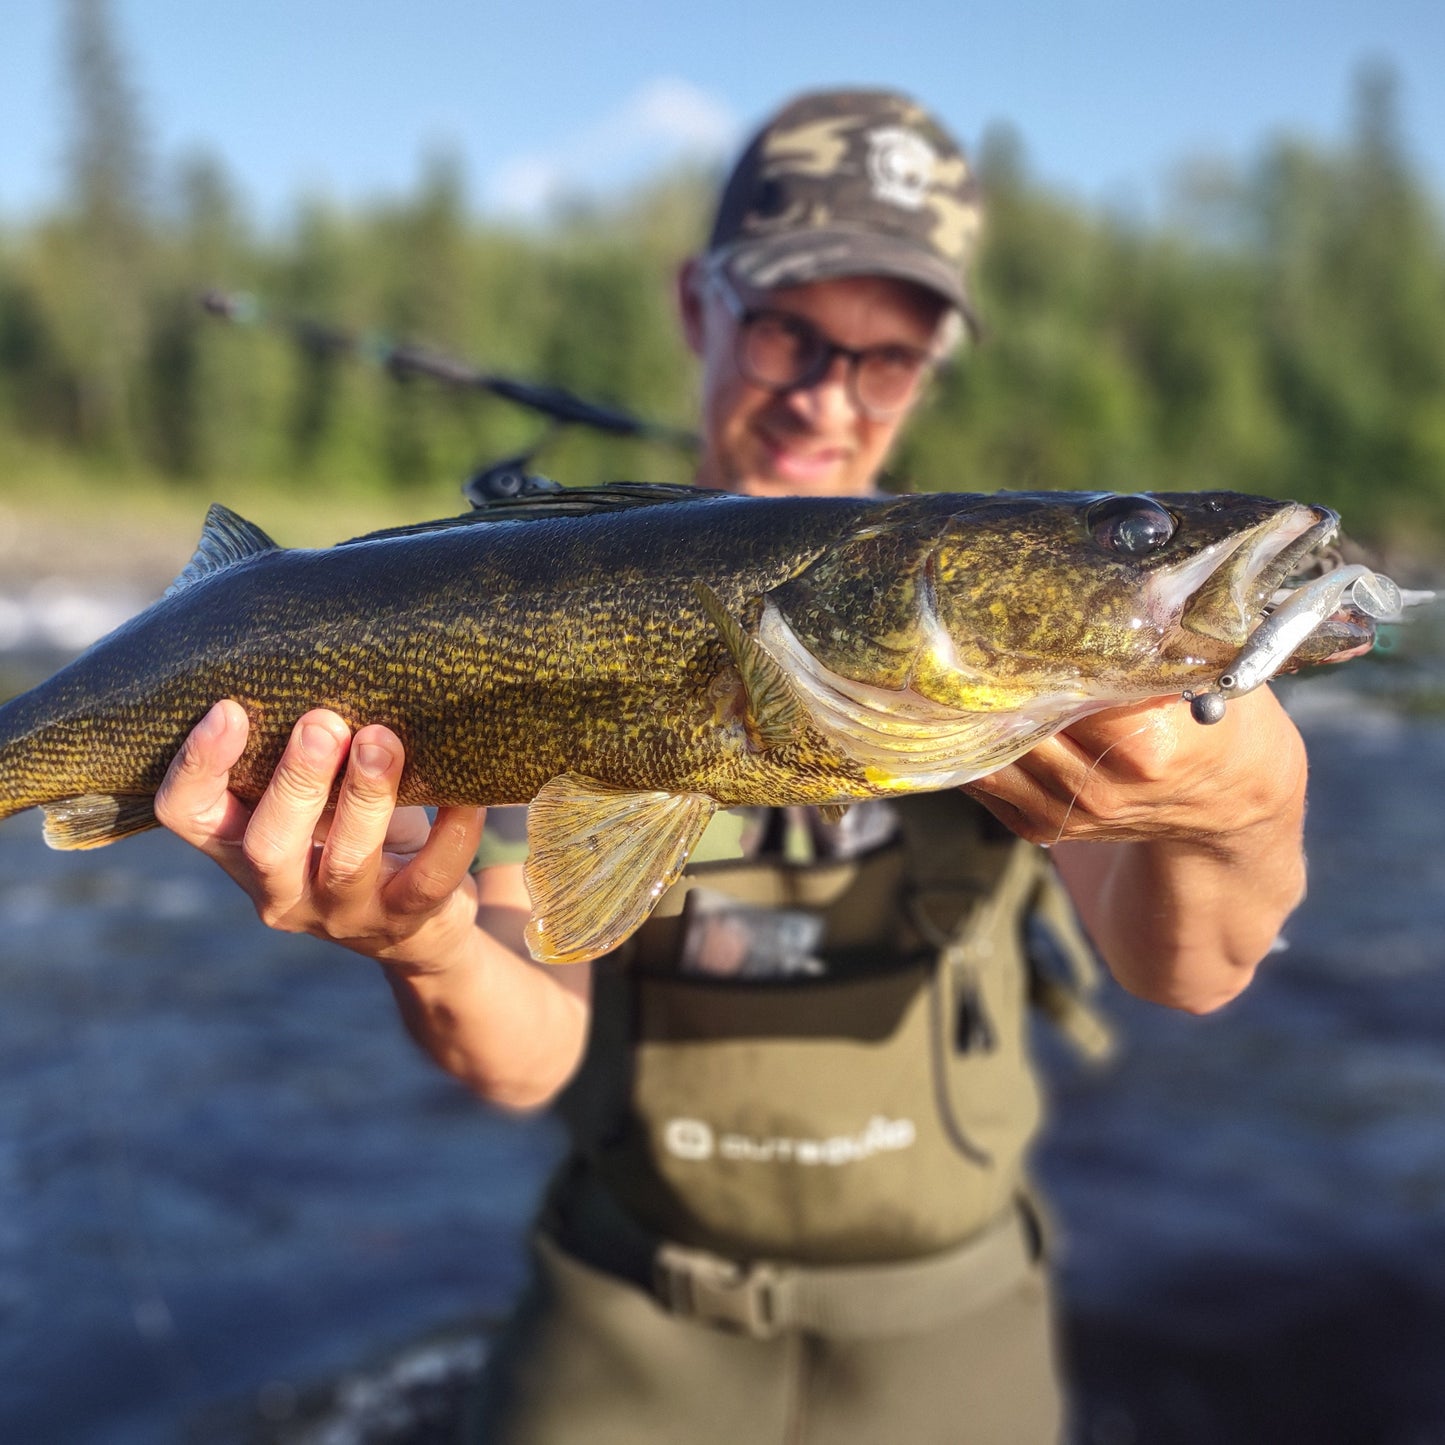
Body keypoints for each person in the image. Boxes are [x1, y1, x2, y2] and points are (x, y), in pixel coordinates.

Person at [153, 89, 1310, 1444]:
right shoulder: (544, 598)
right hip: (627, 1323)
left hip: (954, 1334)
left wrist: (1246, 804)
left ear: (932, 367)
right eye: (787, 330)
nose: (828, 393)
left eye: (888, 356)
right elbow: (532, 1051)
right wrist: (424, 943)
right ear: (698, 308)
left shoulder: (997, 643)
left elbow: (1185, 969)